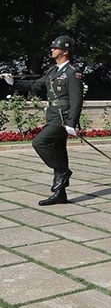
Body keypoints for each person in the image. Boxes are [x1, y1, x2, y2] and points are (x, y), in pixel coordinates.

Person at [2, 35, 83, 206]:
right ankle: (60, 194)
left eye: (56, 47)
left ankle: (63, 172)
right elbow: (35, 85)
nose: (52, 50)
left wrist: (72, 123)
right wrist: (13, 83)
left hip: (62, 118)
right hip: (52, 115)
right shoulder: (53, 71)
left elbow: (77, 100)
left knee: (39, 142)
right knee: (59, 152)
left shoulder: (72, 73)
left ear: (65, 51)